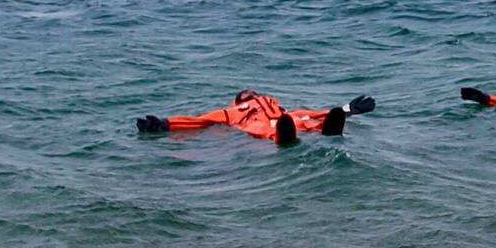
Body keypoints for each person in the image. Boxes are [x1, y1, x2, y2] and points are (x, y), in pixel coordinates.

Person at [136, 88, 376, 145]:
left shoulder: (273, 106)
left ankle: (326, 130)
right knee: (297, 123)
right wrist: (165, 124)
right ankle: (293, 136)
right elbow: (200, 120)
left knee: (303, 120)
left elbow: (201, 120)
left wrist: (346, 109)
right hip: (274, 122)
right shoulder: (236, 110)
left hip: (282, 119)